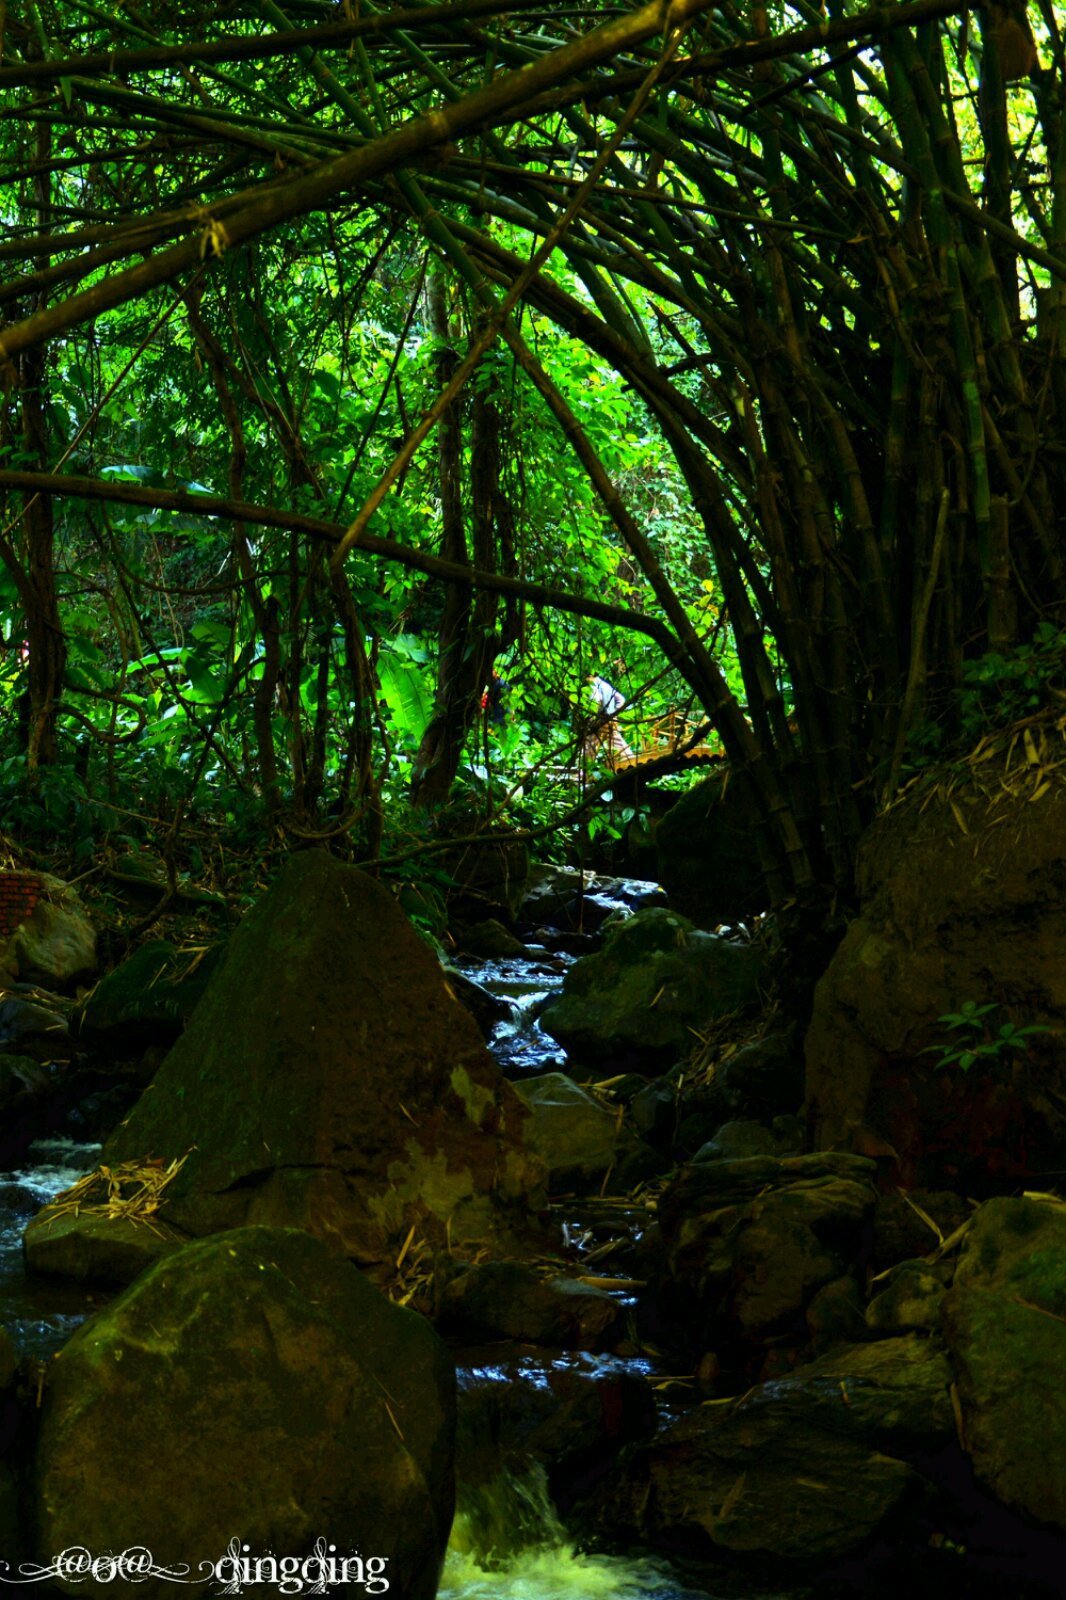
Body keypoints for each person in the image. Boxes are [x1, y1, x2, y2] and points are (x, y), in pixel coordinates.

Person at [586, 672, 634, 764]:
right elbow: (621, 699)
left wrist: (593, 718)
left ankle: (584, 770)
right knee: (616, 741)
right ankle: (631, 760)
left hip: (601, 720)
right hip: (612, 719)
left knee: (591, 744)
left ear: (590, 676)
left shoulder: (593, 686)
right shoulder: (606, 685)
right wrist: (614, 713)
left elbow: (597, 700)